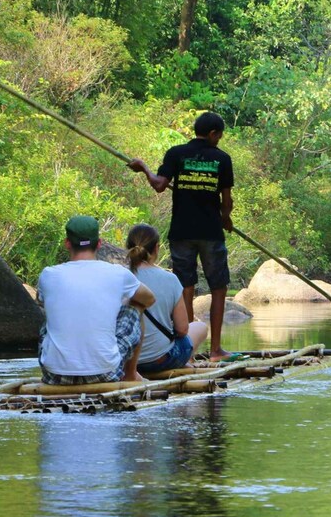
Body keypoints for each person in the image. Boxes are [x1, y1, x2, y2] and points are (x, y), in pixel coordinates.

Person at [128, 112, 235, 361]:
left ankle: (188, 347)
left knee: (185, 287)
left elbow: (158, 184)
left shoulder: (176, 153)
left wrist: (142, 166)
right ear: (213, 134)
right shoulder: (222, 159)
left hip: (182, 232)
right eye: (219, 135)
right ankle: (216, 350)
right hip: (210, 233)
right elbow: (226, 201)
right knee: (218, 288)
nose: (218, 140)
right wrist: (225, 218)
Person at [37, 215, 155, 384]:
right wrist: (118, 305)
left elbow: (41, 301)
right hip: (104, 374)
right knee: (134, 307)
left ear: (67, 243)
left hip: (55, 377)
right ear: (99, 243)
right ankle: (131, 375)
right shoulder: (118, 273)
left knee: (47, 323)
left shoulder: (48, 275)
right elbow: (149, 299)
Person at [125, 223, 209, 373]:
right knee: (201, 327)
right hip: (159, 360)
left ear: (128, 247)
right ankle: (184, 361)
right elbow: (182, 329)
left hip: (123, 361)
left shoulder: (118, 277)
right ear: (156, 248)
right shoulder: (170, 279)